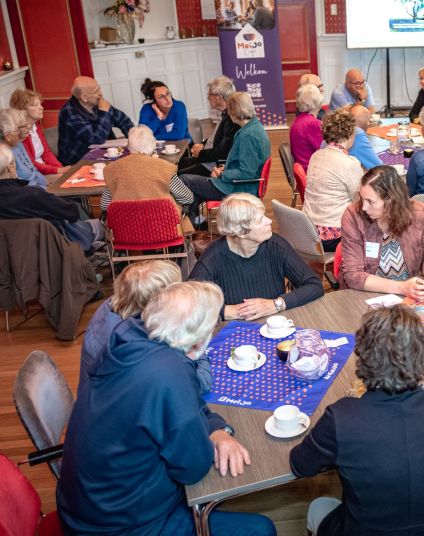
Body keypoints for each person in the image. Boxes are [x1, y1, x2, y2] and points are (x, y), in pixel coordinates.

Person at [57, 281, 278, 536]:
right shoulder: (168, 372)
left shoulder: (131, 334)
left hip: (89, 505)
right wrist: (213, 434)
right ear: (198, 343)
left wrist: (216, 430)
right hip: (123, 525)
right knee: (261, 530)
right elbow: (192, 469)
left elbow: (184, 404)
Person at [291, 304, 424, 536]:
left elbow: (300, 465)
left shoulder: (341, 418)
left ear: (363, 357)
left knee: (317, 506)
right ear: (421, 353)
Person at [77, 261, 213, 395]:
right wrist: (196, 339)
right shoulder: (131, 343)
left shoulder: (118, 302)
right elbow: (200, 383)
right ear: (155, 305)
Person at [190, 193, 324, 320]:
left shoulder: (275, 245)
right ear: (241, 232)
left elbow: (314, 285)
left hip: (274, 326)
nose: (269, 221)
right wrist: (227, 312)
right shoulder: (213, 256)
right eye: (260, 221)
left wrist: (275, 305)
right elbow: (186, 303)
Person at [339, 165, 424, 300]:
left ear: (391, 200)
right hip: (366, 295)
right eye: (362, 199)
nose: (364, 207)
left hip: (410, 294)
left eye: (370, 201)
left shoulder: (419, 213)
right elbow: (353, 275)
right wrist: (401, 287)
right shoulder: (353, 216)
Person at [180, 92, 270, 227]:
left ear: (234, 111)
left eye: (228, 110)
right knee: (193, 192)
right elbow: (244, 163)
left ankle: (185, 236)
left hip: (238, 187)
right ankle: (192, 232)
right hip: (238, 183)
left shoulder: (247, 135)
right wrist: (224, 168)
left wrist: (223, 173)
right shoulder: (254, 127)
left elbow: (246, 173)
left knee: (184, 180)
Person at [0, 142, 104, 252]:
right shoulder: (32, 194)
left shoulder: (28, 194)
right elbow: (71, 212)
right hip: (59, 243)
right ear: (10, 167)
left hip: (18, 253)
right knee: (105, 223)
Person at [101, 126, 194, 236]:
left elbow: (104, 205)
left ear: (129, 146)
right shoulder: (165, 168)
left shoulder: (112, 169)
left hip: (127, 232)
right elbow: (187, 197)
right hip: (164, 230)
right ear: (153, 145)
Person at [304, 110, 364, 252]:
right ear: (350, 135)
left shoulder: (316, 156)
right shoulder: (349, 163)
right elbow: (361, 200)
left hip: (308, 231)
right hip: (334, 237)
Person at [57, 76, 133, 165]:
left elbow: (124, 121)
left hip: (104, 154)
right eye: (96, 91)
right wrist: (104, 112)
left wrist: (133, 141)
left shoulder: (96, 103)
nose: (101, 94)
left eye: (99, 89)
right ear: (84, 97)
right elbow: (97, 139)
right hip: (78, 161)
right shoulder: (69, 113)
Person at [179, 76, 238, 177]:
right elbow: (216, 139)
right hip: (209, 159)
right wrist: (202, 144)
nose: (207, 97)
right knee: (178, 165)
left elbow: (222, 153)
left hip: (214, 165)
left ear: (219, 97)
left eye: (209, 94)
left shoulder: (231, 119)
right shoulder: (225, 114)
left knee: (175, 175)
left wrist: (200, 153)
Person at [10, 88, 67, 175]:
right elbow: (30, 163)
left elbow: (46, 153)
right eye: (35, 105)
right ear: (23, 110)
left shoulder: (35, 124)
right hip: (36, 173)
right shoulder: (21, 131)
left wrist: (61, 168)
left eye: (40, 104)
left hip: (45, 168)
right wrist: (57, 171)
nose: (41, 108)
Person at [0, 108, 48, 189]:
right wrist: (44, 189)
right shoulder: (5, 155)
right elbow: (19, 184)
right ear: (8, 136)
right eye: (16, 130)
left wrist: (46, 183)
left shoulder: (19, 143)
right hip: (31, 191)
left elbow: (33, 170)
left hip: (37, 187)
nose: (18, 133)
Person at [290, 84, 324, 171]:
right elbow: (327, 151)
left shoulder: (298, 120)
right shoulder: (313, 124)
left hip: (303, 170)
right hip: (313, 172)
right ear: (319, 102)